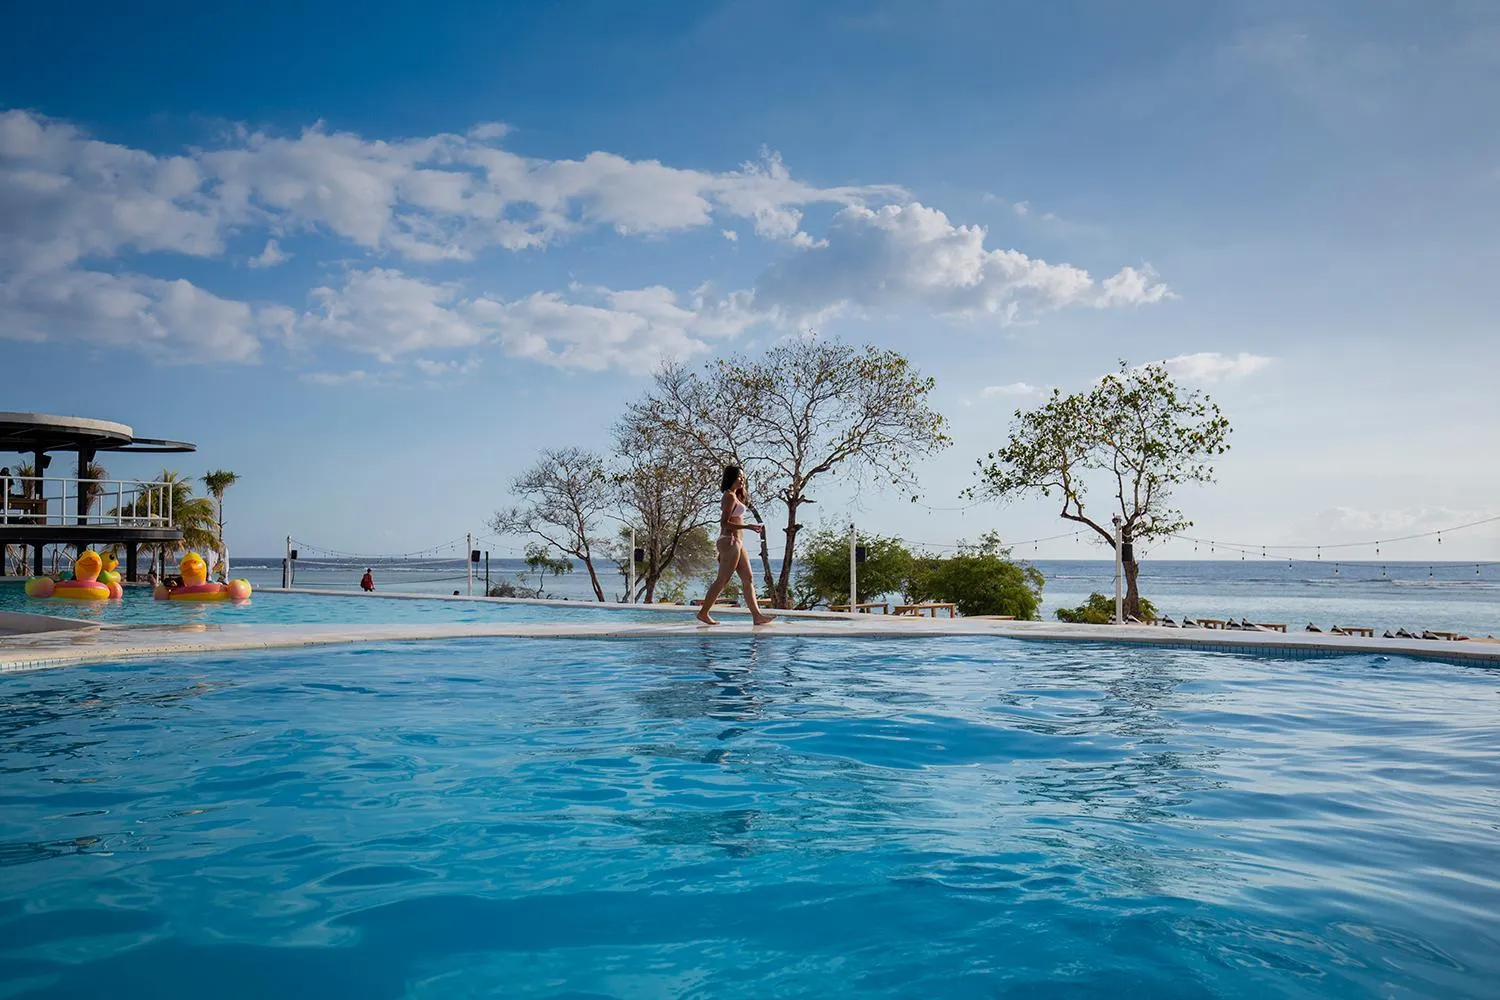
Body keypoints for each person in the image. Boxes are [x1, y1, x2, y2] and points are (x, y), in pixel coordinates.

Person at [696, 465, 777, 626]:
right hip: (730, 541)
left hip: (737, 543)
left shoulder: (735, 496)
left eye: (743, 477)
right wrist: (748, 527)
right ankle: (703, 613)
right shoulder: (729, 497)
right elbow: (724, 523)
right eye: (739, 476)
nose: (742, 479)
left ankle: (757, 616)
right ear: (731, 477)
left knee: (748, 578)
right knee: (723, 579)